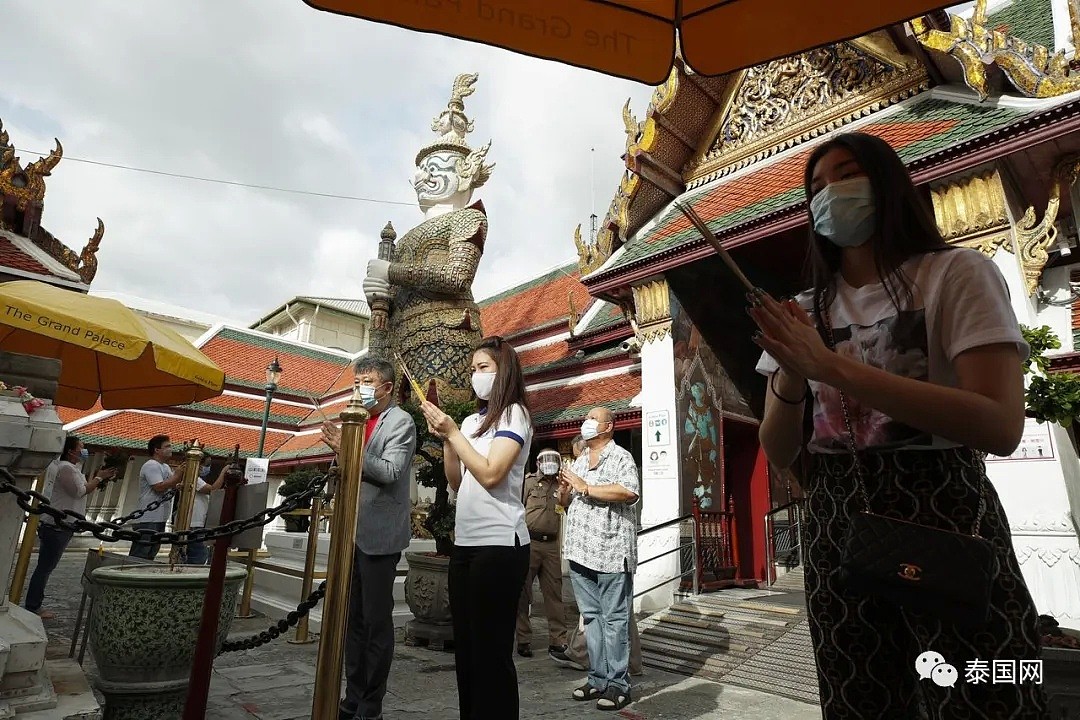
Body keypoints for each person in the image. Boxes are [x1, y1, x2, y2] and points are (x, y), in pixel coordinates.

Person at [749, 132, 1046, 718]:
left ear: (887, 185)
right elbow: (779, 446)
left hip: (941, 512)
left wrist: (829, 365)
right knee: (861, 697)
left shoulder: (956, 275)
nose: (830, 194)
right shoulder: (805, 310)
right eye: (815, 188)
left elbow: (1001, 423)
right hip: (837, 525)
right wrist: (791, 371)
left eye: (847, 175)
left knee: (980, 691)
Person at [420, 336, 532, 720]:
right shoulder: (470, 421)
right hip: (465, 543)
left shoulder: (514, 415)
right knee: (466, 650)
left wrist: (454, 434)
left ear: (504, 372)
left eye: (483, 368)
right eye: (472, 369)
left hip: (501, 543)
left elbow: (491, 473)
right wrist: (449, 442)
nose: (475, 376)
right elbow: (457, 481)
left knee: (491, 653)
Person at [322, 358, 418, 720]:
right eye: (357, 380)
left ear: (387, 387)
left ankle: (371, 701)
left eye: (368, 381)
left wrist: (350, 450)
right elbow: (349, 470)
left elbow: (391, 471)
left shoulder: (400, 422)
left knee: (376, 622)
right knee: (351, 620)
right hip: (349, 531)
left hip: (379, 536)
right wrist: (339, 454)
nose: (360, 386)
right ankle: (352, 692)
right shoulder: (356, 420)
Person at [558, 408, 640, 712]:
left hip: (610, 551)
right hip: (580, 551)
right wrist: (565, 491)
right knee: (591, 619)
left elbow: (630, 491)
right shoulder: (580, 459)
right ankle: (597, 678)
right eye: (586, 417)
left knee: (615, 619)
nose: (587, 422)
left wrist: (587, 487)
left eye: (593, 418)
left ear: (609, 426)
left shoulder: (621, 457)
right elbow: (566, 503)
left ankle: (619, 684)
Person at [25, 435, 117, 618]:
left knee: (46, 566)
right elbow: (80, 491)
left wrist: (98, 476)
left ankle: (34, 603)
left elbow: (83, 487)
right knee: (45, 567)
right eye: (80, 447)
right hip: (57, 523)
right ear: (71, 451)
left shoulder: (70, 468)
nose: (84, 451)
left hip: (63, 522)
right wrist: (99, 477)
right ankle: (33, 605)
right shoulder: (65, 468)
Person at [515, 448, 569, 662]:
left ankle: (558, 639)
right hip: (529, 542)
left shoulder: (561, 485)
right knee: (523, 593)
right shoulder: (528, 482)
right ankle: (523, 639)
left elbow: (565, 505)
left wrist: (565, 488)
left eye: (553, 460)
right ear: (538, 462)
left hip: (551, 545)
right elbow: (517, 507)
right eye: (546, 460)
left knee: (554, 593)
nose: (550, 463)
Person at [128, 435, 185, 560]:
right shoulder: (151, 465)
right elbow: (159, 487)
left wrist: (178, 482)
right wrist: (177, 475)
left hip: (160, 516)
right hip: (148, 517)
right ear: (156, 450)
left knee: (152, 551)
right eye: (167, 446)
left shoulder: (165, 467)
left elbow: (172, 484)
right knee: (142, 551)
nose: (171, 449)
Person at [184, 455, 227, 566]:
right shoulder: (193, 478)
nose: (205, 468)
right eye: (206, 464)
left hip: (197, 522)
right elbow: (213, 490)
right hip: (194, 522)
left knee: (199, 555)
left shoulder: (196, 479)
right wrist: (223, 473)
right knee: (198, 556)